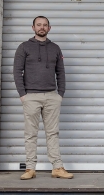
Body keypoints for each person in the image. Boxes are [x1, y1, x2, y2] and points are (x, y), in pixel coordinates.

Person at [13, 16, 73, 180]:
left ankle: (57, 167)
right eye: (38, 25)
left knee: (52, 133)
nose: (42, 27)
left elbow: (60, 72)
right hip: (30, 96)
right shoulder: (23, 47)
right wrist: (23, 95)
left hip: (52, 96)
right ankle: (30, 169)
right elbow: (17, 72)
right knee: (30, 134)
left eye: (44, 25)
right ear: (33, 27)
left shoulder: (55, 48)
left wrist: (60, 94)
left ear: (49, 28)